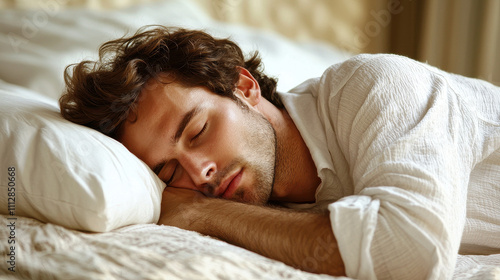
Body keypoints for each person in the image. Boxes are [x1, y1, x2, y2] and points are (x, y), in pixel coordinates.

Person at [59, 26, 500, 279]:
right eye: (169, 171)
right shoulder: (268, 206)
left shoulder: (377, 87)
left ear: (244, 87)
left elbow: (410, 252)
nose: (198, 174)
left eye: (197, 130)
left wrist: (202, 215)